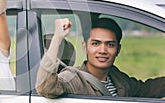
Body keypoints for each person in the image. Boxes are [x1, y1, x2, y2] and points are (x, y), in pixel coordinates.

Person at [36, 17, 165, 98]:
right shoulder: (73, 78)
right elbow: (45, 87)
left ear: (118, 49)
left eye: (110, 44)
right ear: (85, 47)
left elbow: (147, 89)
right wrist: (58, 37)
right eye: (95, 43)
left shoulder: (117, 77)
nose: (103, 50)